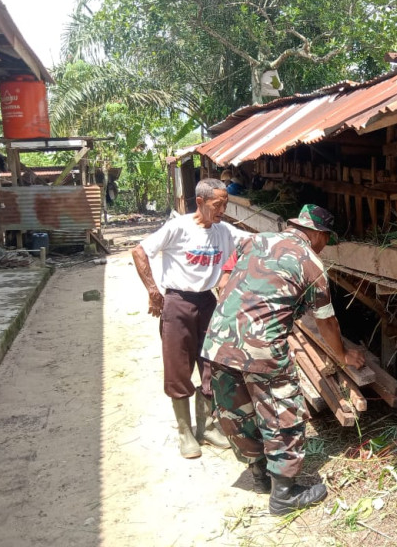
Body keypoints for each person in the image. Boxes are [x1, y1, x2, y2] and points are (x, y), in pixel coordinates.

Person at [201, 204, 366, 515]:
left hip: (219, 341)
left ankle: (260, 476)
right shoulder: (311, 264)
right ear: (317, 234)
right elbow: (327, 322)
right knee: (281, 415)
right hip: (262, 348)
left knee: (240, 412)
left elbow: (224, 278)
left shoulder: (255, 240)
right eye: (326, 238)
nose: (325, 245)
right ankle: (285, 496)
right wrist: (343, 356)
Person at [132, 178, 251, 459]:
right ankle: (185, 432)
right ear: (200, 202)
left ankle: (207, 427)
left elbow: (251, 242)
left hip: (208, 302)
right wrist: (153, 291)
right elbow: (139, 251)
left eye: (225, 204)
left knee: (212, 364)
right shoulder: (178, 227)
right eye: (218, 204)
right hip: (178, 303)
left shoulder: (223, 231)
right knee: (178, 367)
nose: (223, 209)